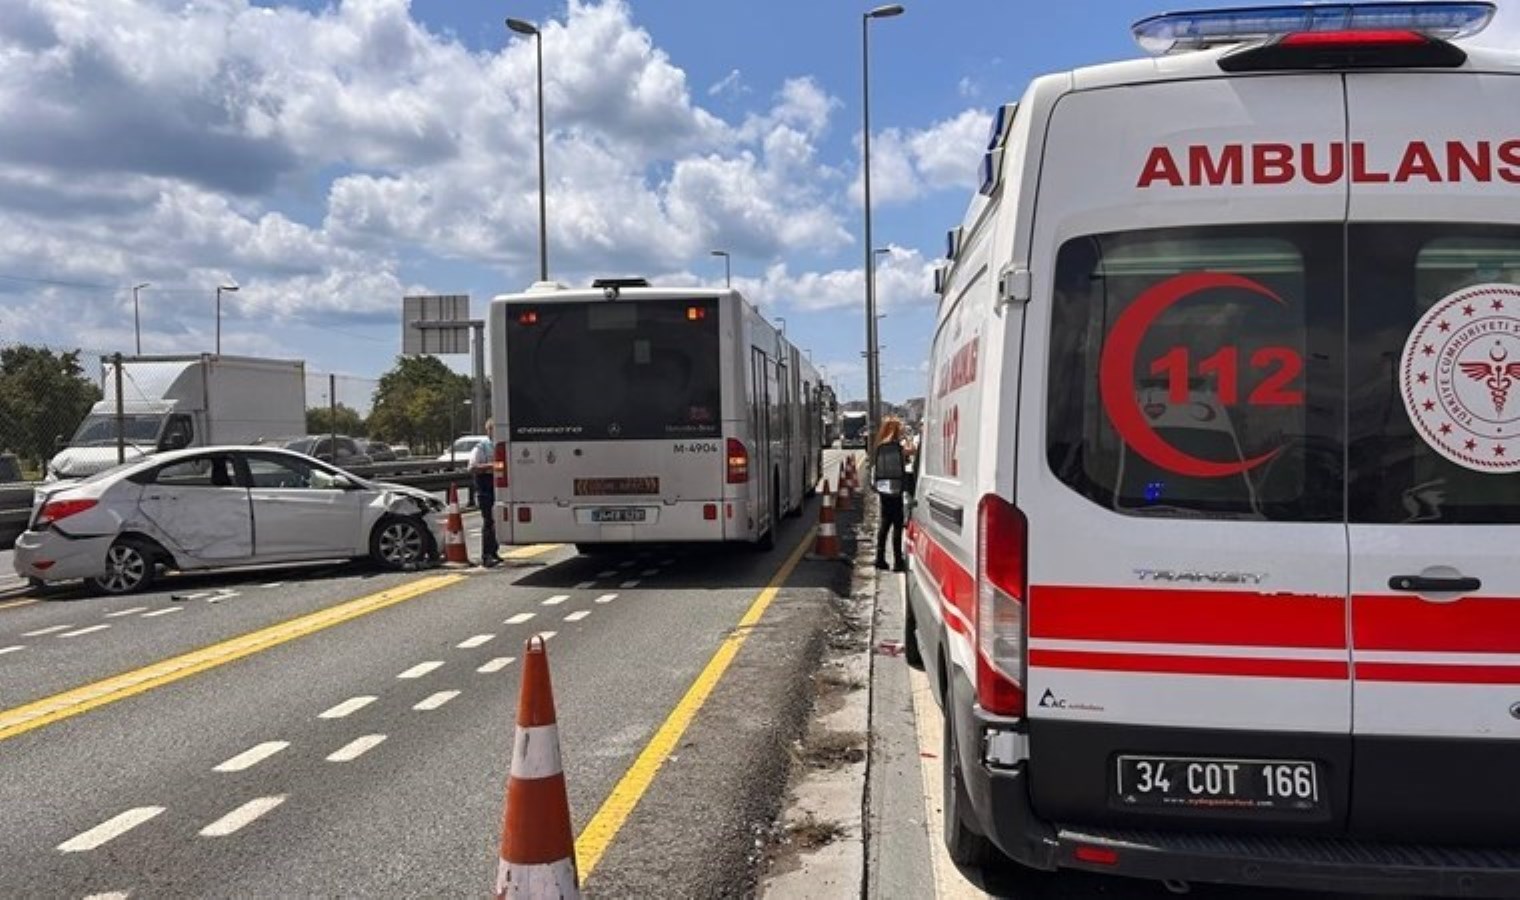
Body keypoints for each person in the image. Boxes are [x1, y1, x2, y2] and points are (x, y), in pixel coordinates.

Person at [872, 417, 908, 572]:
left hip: (883, 488)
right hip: (896, 488)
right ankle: (898, 561)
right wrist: (907, 440)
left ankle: (880, 558)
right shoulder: (898, 447)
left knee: (885, 523)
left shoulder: (880, 445)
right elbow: (911, 451)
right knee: (897, 525)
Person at [468, 423, 499, 568]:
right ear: (488, 430)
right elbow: (472, 467)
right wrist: (492, 466)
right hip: (485, 487)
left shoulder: (500, 444)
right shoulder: (482, 447)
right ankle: (486, 555)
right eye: (493, 429)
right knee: (488, 521)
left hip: (497, 487)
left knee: (497, 522)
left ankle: (494, 552)